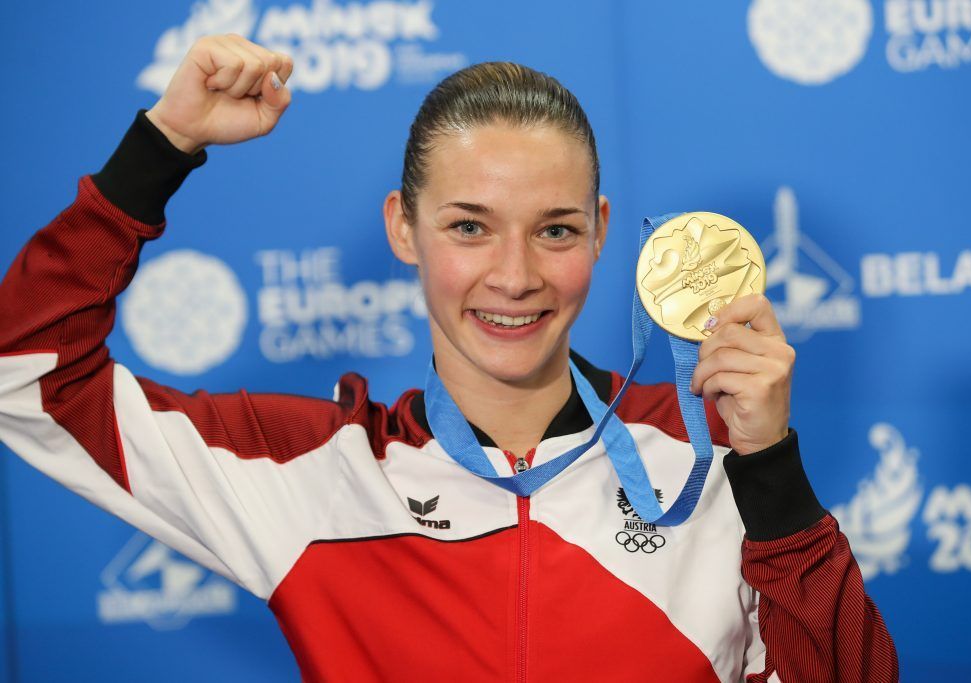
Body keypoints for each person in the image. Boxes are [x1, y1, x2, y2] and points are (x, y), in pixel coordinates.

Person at [0, 33, 897, 682]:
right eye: (469, 227)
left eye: (555, 230)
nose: (514, 276)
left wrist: (771, 471)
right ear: (404, 229)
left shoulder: (711, 464)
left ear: (602, 234)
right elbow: (22, 373)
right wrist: (161, 146)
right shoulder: (310, 469)